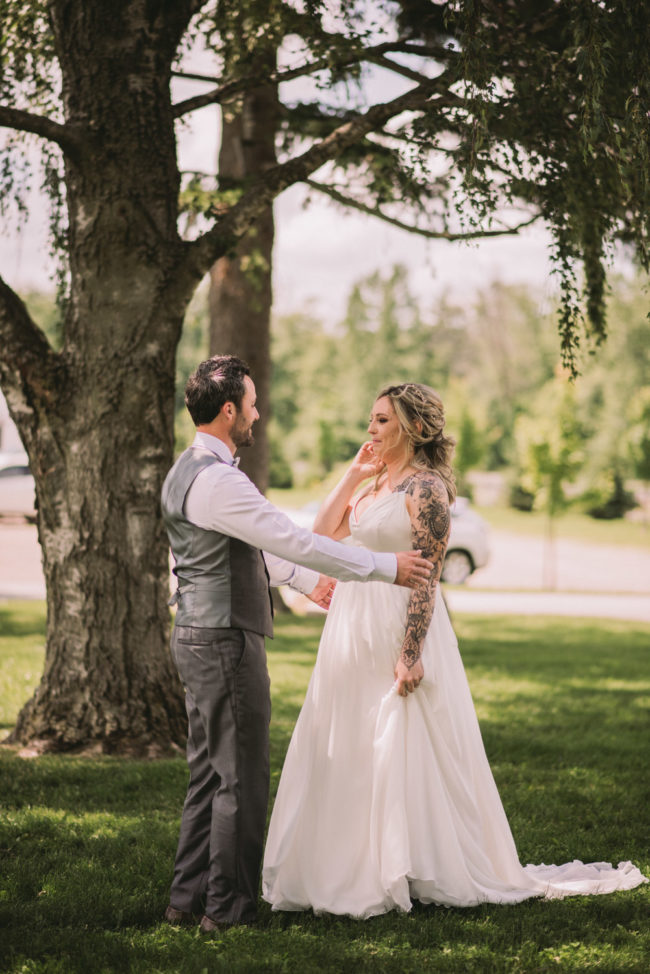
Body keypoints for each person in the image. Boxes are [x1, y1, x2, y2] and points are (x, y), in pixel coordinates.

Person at [262, 382, 647, 918]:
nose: (370, 429)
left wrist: (411, 651)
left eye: (382, 421)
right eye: (371, 419)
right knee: (351, 735)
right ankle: (350, 863)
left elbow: (428, 578)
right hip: (352, 622)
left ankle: (409, 865)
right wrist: (352, 474)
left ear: (414, 428)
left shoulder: (427, 490)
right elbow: (322, 533)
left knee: (402, 740)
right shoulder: (374, 483)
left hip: (398, 623)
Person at [160, 356, 433, 934]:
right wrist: (385, 567)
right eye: (252, 404)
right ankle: (227, 910)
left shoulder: (184, 471)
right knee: (239, 777)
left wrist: (309, 584)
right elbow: (289, 539)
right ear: (229, 410)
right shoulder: (220, 480)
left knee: (208, 774)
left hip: (195, 632)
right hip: (225, 638)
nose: (257, 414)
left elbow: (254, 549)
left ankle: (186, 901)